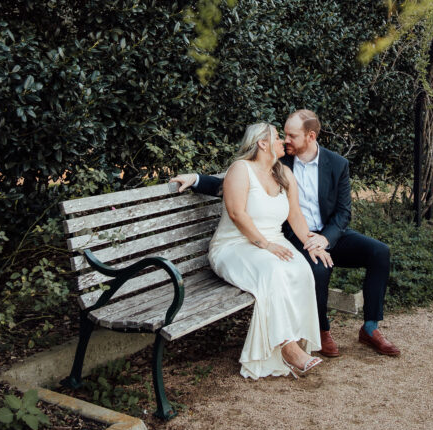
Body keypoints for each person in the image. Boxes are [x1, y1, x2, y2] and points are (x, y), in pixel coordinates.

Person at [172, 109, 401, 358]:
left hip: (327, 234)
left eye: (292, 135)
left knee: (379, 252)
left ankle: (370, 328)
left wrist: (324, 240)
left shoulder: (337, 164)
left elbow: (344, 213)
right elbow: (231, 184)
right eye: (283, 135)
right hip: (293, 235)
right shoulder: (278, 162)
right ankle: (321, 331)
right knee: (316, 266)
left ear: (310, 136)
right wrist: (196, 178)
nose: (286, 140)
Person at [207, 122, 334, 379]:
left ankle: (297, 339)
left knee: (302, 269)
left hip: (273, 242)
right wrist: (264, 245)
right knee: (273, 270)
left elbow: (296, 215)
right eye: (277, 138)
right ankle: (287, 347)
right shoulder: (240, 170)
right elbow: (236, 213)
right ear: (262, 144)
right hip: (235, 245)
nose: (282, 142)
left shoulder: (284, 174)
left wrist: (312, 242)